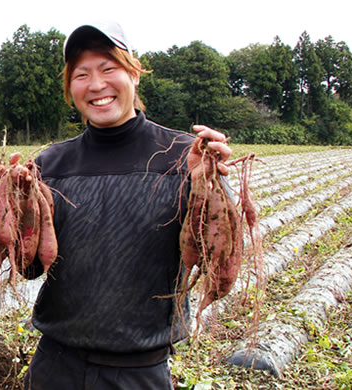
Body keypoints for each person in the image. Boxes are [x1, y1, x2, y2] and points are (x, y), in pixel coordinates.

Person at [19, 22, 232, 389]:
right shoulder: (49, 165)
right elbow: (30, 267)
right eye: (82, 74)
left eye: (108, 69)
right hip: (55, 366)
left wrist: (210, 187)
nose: (96, 84)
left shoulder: (184, 156)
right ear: (71, 87)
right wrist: (16, 205)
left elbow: (219, 258)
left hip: (140, 372)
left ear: (133, 73)